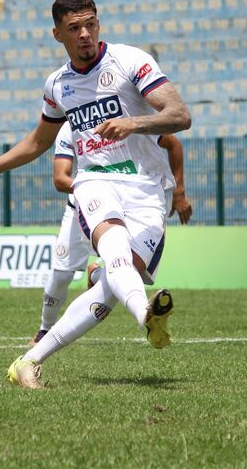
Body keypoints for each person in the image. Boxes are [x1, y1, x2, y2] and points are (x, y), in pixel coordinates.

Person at [0, 0, 191, 388]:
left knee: (111, 285)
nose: (85, 34)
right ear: (58, 34)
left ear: (99, 24)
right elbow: (36, 143)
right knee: (114, 249)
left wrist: (133, 123)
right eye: (74, 28)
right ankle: (145, 313)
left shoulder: (131, 61)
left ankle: (28, 361)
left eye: (90, 24)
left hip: (147, 188)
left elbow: (180, 116)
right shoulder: (58, 85)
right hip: (95, 180)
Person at [30, 119, 193, 346]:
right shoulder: (70, 127)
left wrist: (179, 192)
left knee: (127, 270)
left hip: (128, 204)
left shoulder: (127, 119)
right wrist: (96, 187)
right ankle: (45, 329)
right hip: (82, 205)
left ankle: (108, 285)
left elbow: (173, 144)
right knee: (62, 275)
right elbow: (60, 178)